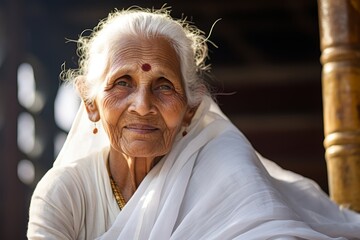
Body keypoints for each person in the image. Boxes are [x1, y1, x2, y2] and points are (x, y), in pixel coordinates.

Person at [27, 6, 360, 240]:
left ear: (190, 109)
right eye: (122, 83)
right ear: (90, 104)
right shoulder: (64, 193)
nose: (143, 106)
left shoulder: (221, 163)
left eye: (164, 86)